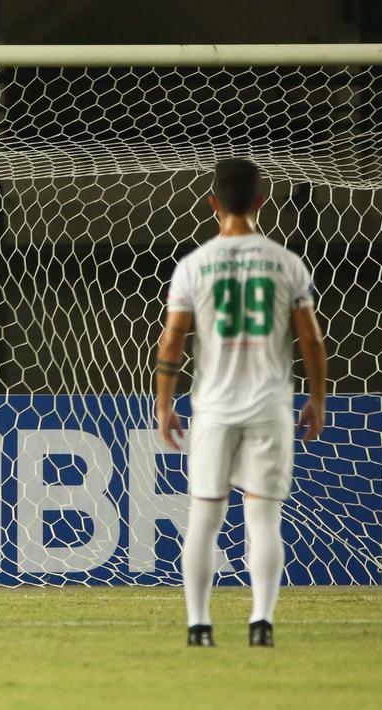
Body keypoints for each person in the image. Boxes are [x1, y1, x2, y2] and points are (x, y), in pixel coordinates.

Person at [155, 158, 328, 647]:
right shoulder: (287, 262)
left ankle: (198, 626)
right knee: (263, 517)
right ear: (261, 201)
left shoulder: (194, 265)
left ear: (213, 203)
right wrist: (316, 397)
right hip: (270, 404)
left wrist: (165, 403)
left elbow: (172, 341)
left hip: (212, 406)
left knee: (204, 517)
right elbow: (311, 341)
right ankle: (261, 624)